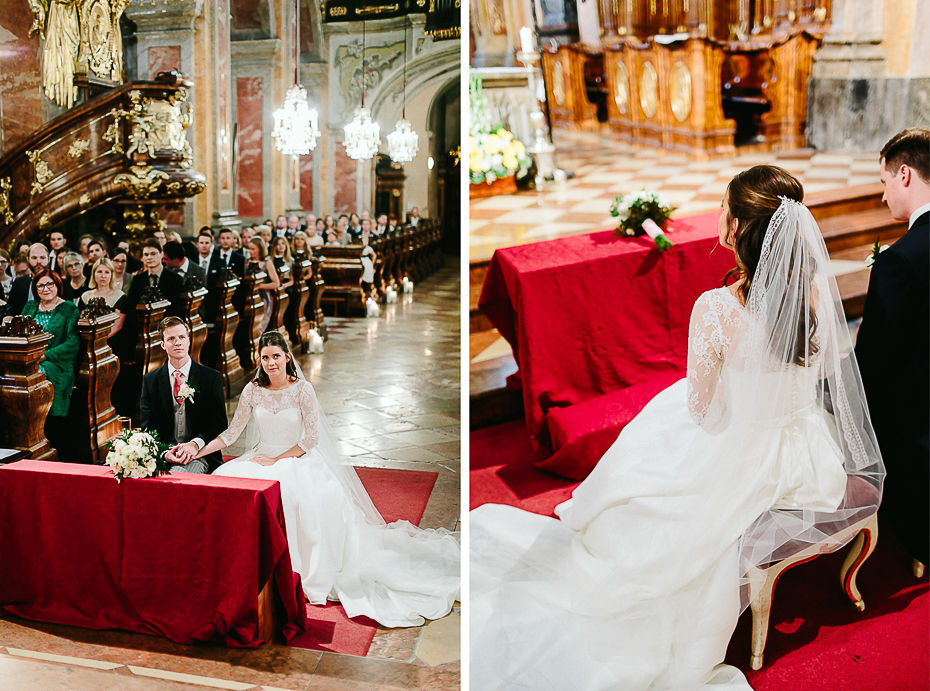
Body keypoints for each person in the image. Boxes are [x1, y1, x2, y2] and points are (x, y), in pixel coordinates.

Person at [470, 166, 885, 690]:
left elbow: (705, 409)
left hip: (745, 449)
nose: (718, 214)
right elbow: (817, 379)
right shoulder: (817, 299)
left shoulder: (715, 308)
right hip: (808, 454)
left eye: (723, 206)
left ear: (736, 229)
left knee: (643, 466)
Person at [189, 330, 459, 626]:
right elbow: (231, 434)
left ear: (287, 357)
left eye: (276, 356)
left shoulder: (303, 389)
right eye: (265, 357)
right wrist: (197, 449)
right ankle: (243, 567)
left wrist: (277, 460)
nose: (270, 363)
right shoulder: (253, 390)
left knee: (296, 497)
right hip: (260, 457)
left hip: (297, 458)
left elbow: (311, 439)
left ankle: (295, 572)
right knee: (227, 481)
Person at [856, 128, 930, 569]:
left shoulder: (899, 261)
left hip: (916, 430)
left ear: (904, 175)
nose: (883, 197)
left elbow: (874, 366)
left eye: (883, 182)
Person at [140, 317, 227, 474]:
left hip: (199, 454)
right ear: (163, 345)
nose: (177, 342)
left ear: (189, 340)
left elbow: (219, 424)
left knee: (177, 478)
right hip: (163, 454)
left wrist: (194, 444)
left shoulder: (210, 378)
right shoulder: (151, 380)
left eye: (181, 337)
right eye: (171, 339)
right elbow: (148, 428)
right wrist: (165, 453)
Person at [20, 270, 79, 426]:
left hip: (57, 363)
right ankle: (20, 420)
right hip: (27, 359)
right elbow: (19, 334)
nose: (45, 289)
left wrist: (46, 355)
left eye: (49, 284)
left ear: (57, 285)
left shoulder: (69, 308)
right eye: (40, 286)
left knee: (36, 373)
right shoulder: (29, 306)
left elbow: (72, 343)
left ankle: (38, 422)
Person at [78, 258, 128, 342]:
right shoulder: (85, 296)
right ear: (93, 274)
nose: (103, 276)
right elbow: (83, 322)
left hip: (112, 341)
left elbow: (117, 326)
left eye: (107, 272)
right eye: (99, 272)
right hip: (88, 340)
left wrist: (99, 340)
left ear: (112, 275)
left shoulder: (119, 296)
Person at [245, 237, 280, 333]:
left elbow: (276, 283)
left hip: (264, 297)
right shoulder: (246, 262)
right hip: (248, 297)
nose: (250, 251)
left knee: (258, 328)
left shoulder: (267, 263)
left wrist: (259, 286)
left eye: (253, 249)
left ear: (260, 249)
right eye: (249, 249)